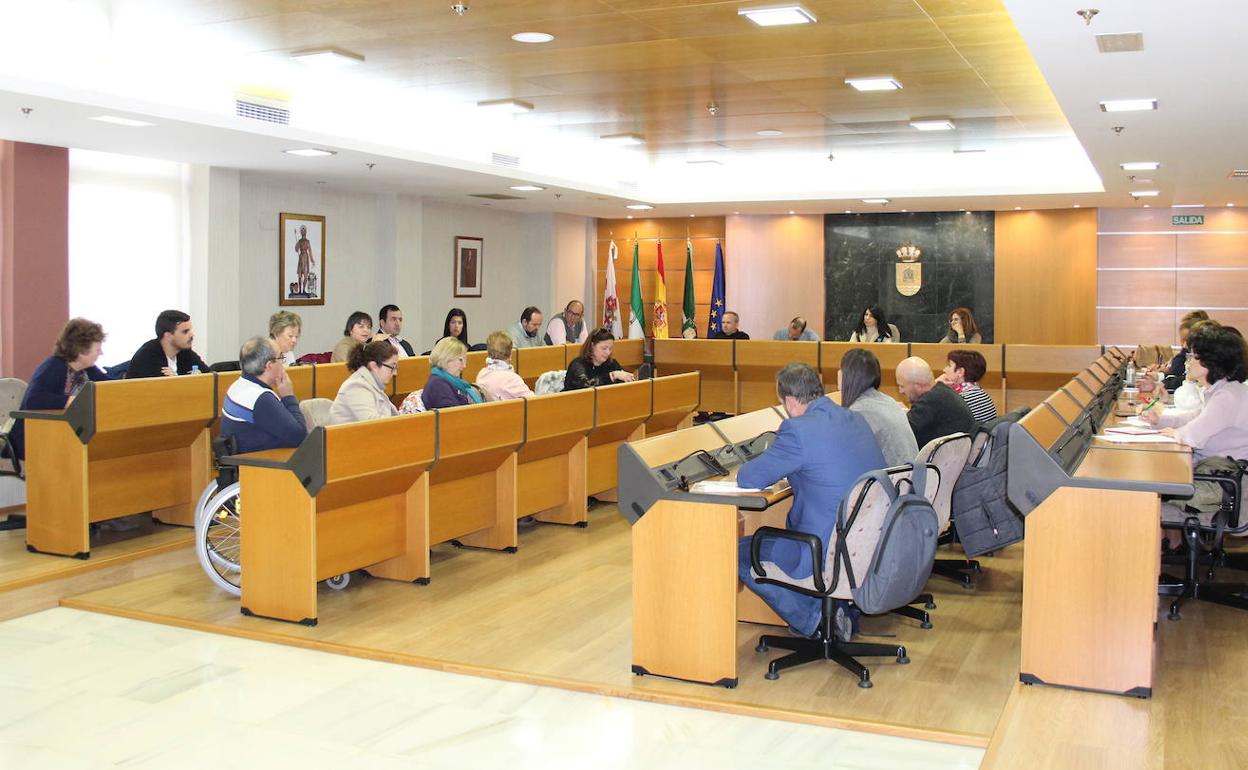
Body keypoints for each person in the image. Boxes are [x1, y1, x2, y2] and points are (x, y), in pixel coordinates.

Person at [737, 362, 886, 639]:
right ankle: (840, 611)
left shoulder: (797, 429)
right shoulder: (854, 419)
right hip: (866, 540)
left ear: (790, 402)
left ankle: (813, 619)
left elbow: (748, 478)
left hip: (823, 547)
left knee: (737, 552)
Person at [1141, 325, 1248, 536]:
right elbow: (1195, 417)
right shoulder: (1224, 390)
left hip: (1225, 493)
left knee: (1145, 501)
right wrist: (1159, 421)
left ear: (1211, 361)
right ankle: (1173, 545)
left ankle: (1167, 548)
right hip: (1222, 481)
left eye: (1193, 356)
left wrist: (1172, 433)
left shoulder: (1228, 397)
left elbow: (1191, 436)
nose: (1187, 361)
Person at [10, 318, 109, 460]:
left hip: (63, 434)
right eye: (97, 349)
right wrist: (74, 401)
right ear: (81, 351)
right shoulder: (54, 367)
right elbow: (34, 400)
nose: (101, 353)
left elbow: (109, 388)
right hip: (35, 439)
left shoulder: (88, 369)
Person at [219, 336, 307, 453]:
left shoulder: (237, 385)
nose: (283, 363)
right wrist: (288, 396)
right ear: (269, 365)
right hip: (261, 460)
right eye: (281, 357)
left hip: (243, 458)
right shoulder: (260, 398)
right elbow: (299, 436)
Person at [838, 348, 917, 466]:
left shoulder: (858, 412)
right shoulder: (887, 401)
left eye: (841, 369)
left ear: (848, 376)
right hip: (910, 474)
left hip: (892, 476)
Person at [896, 356, 974, 448]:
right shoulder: (941, 392)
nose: (900, 391)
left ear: (917, 386)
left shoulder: (929, 401)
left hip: (944, 455)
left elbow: (900, 433)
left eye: (902, 386)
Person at [328, 339, 399, 424]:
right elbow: (372, 423)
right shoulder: (356, 387)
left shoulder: (373, 384)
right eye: (392, 367)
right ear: (374, 366)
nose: (395, 373)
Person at [126, 310, 209, 378]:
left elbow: (210, 376)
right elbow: (160, 390)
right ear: (168, 336)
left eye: (190, 330)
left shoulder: (185, 352)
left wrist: (177, 378)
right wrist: (179, 380)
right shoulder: (148, 355)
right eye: (185, 332)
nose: (191, 335)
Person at [563, 328, 637, 390]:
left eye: (610, 349)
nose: (608, 352)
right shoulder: (578, 365)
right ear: (592, 345)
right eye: (604, 348)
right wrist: (611, 376)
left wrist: (627, 378)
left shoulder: (612, 363)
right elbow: (586, 388)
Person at [423, 336, 485, 409]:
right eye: (460, 360)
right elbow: (453, 414)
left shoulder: (446, 380)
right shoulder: (438, 385)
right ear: (446, 358)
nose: (464, 366)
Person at [939, 350, 998, 423]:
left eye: (949, 366)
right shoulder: (980, 393)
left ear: (960, 372)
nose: (944, 370)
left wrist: (935, 386)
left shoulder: (960, 400)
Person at [476, 331, 534, 401]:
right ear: (510, 354)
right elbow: (533, 401)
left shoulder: (482, 374)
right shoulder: (512, 379)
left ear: (488, 352)